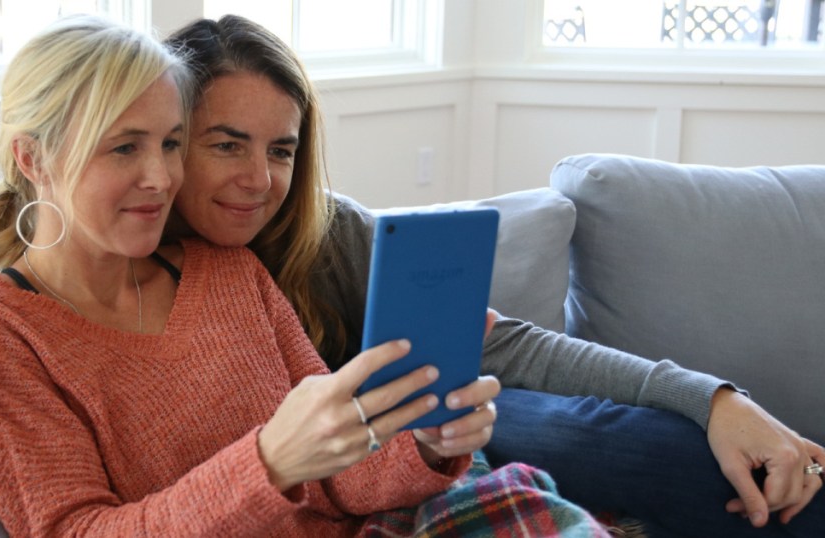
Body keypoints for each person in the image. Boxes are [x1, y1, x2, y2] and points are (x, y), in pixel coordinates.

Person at [0, 15, 611, 537]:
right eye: (124, 147)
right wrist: (270, 461)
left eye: (168, 143)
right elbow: (76, 530)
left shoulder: (228, 271)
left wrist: (426, 444)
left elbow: (343, 471)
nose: (161, 177)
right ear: (33, 158)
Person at [163, 14, 825, 538]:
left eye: (282, 149)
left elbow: (508, 345)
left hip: (432, 444)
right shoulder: (124, 273)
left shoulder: (328, 234)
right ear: (171, 138)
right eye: (227, 144)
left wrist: (714, 399)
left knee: (604, 431)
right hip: (314, 487)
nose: (260, 179)